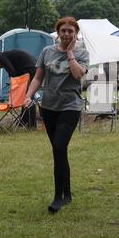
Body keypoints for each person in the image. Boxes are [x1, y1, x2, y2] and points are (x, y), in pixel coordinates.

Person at [24, 16, 89, 213]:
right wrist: (28, 95)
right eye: (64, 31)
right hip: (49, 107)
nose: (67, 34)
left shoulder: (82, 53)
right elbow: (38, 77)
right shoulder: (47, 52)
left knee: (59, 147)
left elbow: (78, 75)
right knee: (59, 151)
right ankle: (67, 193)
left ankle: (58, 197)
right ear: (58, 32)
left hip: (70, 106)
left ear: (76, 34)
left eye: (71, 31)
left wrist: (70, 54)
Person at [0, 49, 37, 128]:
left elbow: (12, 72)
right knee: (26, 96)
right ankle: (24, 121)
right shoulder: (6, 55)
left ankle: (30, 123)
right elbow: (15, 71)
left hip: (29, 70)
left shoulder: (1, 57)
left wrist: (15, 85)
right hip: (31, 69)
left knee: (28, 97)